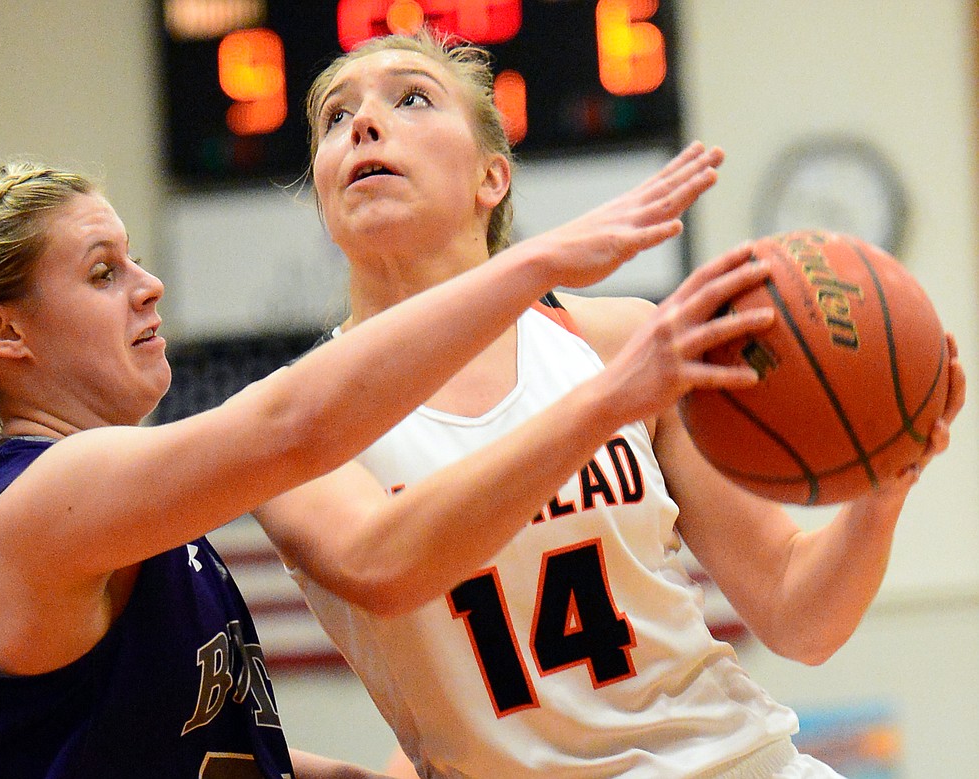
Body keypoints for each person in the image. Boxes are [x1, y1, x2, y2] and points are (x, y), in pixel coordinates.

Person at [0, 130, 744, 777]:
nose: (148, 289)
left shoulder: (132, 522)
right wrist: (532, 269)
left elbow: (160, 742)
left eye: (133, 261)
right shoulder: (44, 498)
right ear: (2, 330)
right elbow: (292, 428)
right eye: (102, 272)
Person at [251, 29, 968, 779]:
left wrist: (882, 490)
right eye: (335, 117)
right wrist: (604, 403)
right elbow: (387, 562)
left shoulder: (616, 339)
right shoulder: (291, 419)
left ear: (491, 178)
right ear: (323, 196)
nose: (364, 123)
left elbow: (800, 612)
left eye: (411, 99)